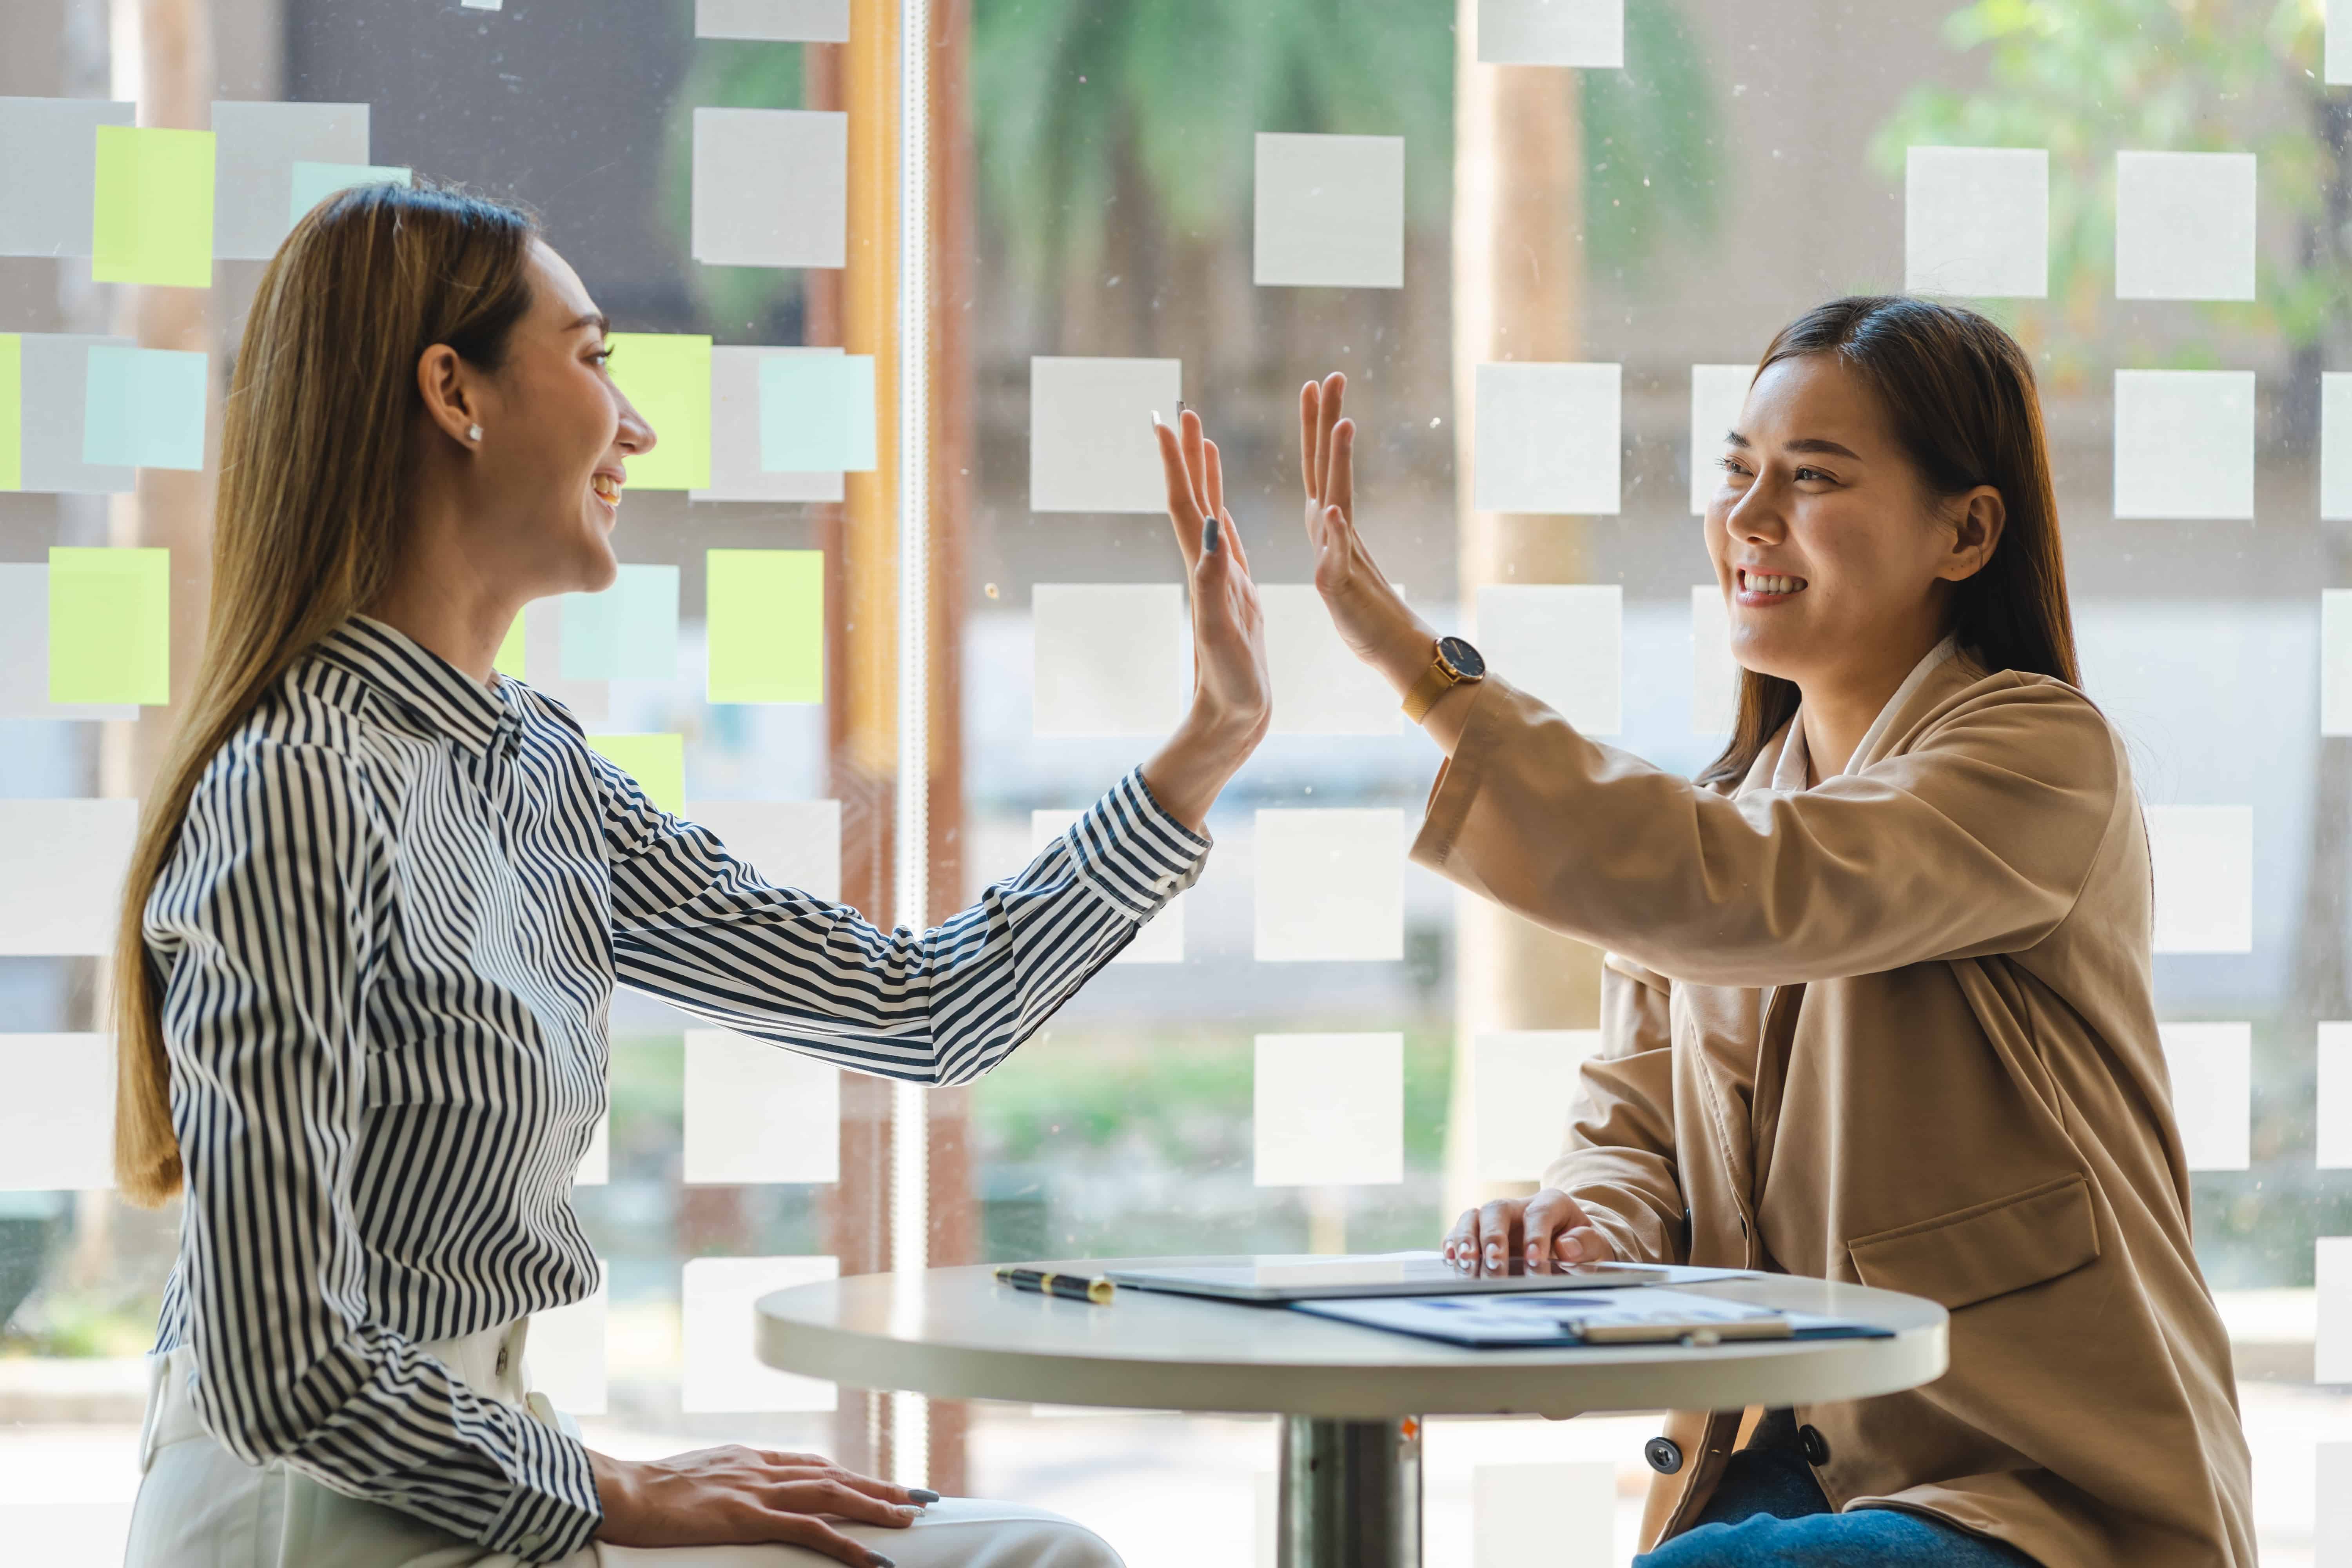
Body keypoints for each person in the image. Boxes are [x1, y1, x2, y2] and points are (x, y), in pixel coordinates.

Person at [113, 181, 1270, 1568]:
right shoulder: (296, 786)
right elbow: (276, 1360)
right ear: (453, 392)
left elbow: (915, 1009)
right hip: (310, 1520)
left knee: (1024, 1551)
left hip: (481, 1485)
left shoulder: (535, 770)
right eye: (596, 359)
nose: (637, 427)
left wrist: (1199, 758)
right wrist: (612, 1489)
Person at [1296, 298, 2254, 1567]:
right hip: (1783, 1479)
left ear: (1965, 532)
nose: (1748, 521)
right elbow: (1632, 1136)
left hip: (2034, 1488)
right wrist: (1579, 1222)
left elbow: (1759, 891)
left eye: (1811, 479)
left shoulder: (2038, 759)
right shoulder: (1708, 827)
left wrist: (1428, 677)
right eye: (1739, 473)